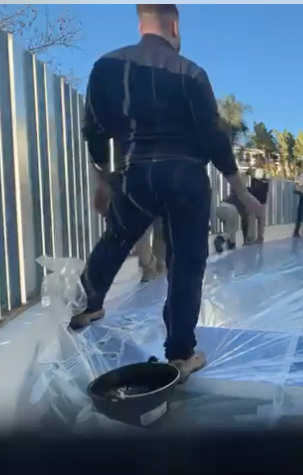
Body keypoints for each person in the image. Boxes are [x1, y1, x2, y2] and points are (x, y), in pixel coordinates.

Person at [73, 4, 264, 382]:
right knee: (186, 263)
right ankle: (180, 354)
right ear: (174, 26)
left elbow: (94, 130)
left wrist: (103, 181)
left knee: (116, 238)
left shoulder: (105, 67)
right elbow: (212, 134)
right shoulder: (190, 72)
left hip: (135, 173)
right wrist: (241, 191)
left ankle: (88, 306)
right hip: (184, 177)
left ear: (141, 24)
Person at [246, 169, 269, 244]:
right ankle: (260, 237)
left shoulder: (254, 181)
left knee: (252, 220)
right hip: (262, 202)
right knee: (261, 221)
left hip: (254, 202)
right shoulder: (265, 182)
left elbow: (251, 190)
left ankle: (252, 238)